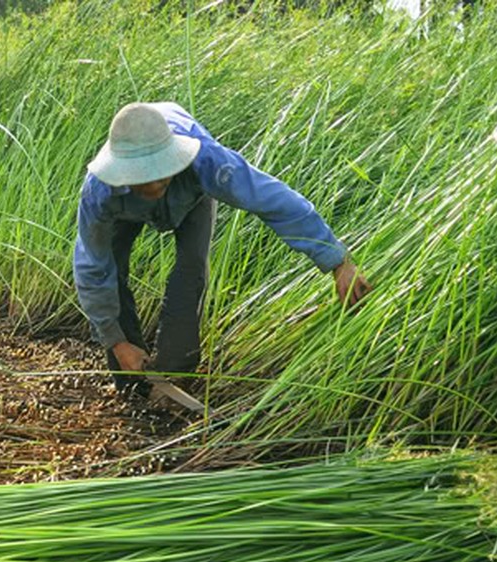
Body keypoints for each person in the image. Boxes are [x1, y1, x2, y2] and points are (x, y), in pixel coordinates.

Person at [72, 101, 371, 397]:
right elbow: (93, 268)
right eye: (142, 180)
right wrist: (116, 342)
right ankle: (131, 382)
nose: (152, 185)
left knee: (190, 271)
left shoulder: (206, 161)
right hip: (122, 210)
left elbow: (273, 200)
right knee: (112, 273)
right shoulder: (100, 192)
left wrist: (338, 262)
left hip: (191, 199)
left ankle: (175, 377)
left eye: (160, 175)